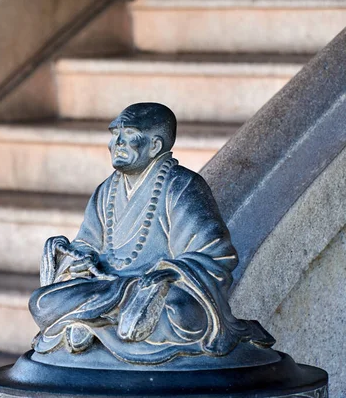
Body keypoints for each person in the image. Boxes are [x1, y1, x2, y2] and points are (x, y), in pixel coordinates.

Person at [30, 103, 274, 364]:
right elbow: (88, 243)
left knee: (182, 312)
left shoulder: (181, 186)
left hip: (158, 289)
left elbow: (216, 255)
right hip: (109, 287)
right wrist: (77, 258)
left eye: (129, 135)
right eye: (115, 135)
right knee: (42, 302)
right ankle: (101, 321)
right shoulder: (106, 191)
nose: (117, 143)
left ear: (155, 146)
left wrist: (170, 272)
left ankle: (88, 322)